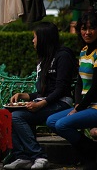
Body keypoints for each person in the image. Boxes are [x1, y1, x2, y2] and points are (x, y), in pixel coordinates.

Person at [4, 22, 77, 170]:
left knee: (18, 116)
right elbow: (43, 92)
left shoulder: (63, 56)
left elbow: (61, 89)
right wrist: (24, 96)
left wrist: (40, 104)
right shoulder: (44, 59)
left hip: (62, 103)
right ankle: (22, 157)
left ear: (43, 38)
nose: (33, 41)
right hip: (47, 101)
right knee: (8, 113)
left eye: (34, 37)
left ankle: (39, 156)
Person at [46, 10, 97, 169]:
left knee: (62, 125)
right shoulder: (83, 51)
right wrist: (77, 104)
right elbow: (80, 83)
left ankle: (90, 153)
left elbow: (95, 88)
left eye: (91, 28)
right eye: (84, 28)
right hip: (85, 105)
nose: (87, 32)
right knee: (51, 121)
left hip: (95, 105)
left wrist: (79, 108)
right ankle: (90, 151)